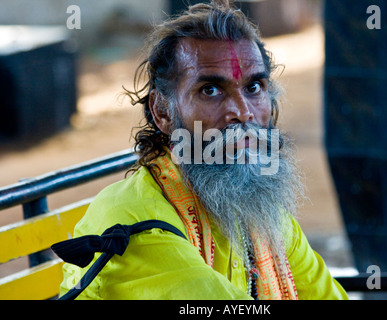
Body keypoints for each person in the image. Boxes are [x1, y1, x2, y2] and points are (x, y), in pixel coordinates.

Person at [57, 0, 348, 300]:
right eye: (211, 90)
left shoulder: (258, 208)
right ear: (163, 112)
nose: (243, 112)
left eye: (254, 87)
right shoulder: (139, 221)